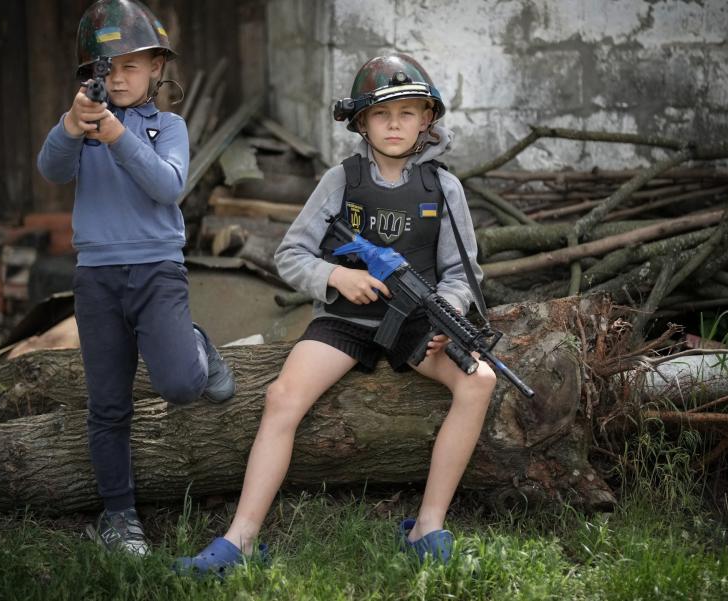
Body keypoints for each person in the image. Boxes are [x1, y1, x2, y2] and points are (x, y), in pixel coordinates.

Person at [175, 53, 495, 577]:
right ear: (362, 122)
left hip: (416, 321)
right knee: (282, 396)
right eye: (383, 114)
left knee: (479, 380)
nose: (395, 125)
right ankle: (241, 540)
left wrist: (449, 313)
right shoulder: (340, 180)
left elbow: (462, 274)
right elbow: (291, 254)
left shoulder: (445, 188)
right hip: (344, 318)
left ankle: (426, 527)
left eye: (409, 113)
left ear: (427, 121)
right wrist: (335, 277)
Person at [36, 0, 235, 556]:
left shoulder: (167, 125)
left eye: (131, 65)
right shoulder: (81, 127)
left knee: (178, 385)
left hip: (157, 271)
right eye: (107, 67)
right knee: (108, 403)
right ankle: (118, 517)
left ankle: (197, 345)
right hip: (97, 277)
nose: (118, 77)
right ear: (90, 76)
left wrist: (118, 136)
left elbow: (168, 187)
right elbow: (50, 171)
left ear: (155, 70)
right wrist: (73, 126)